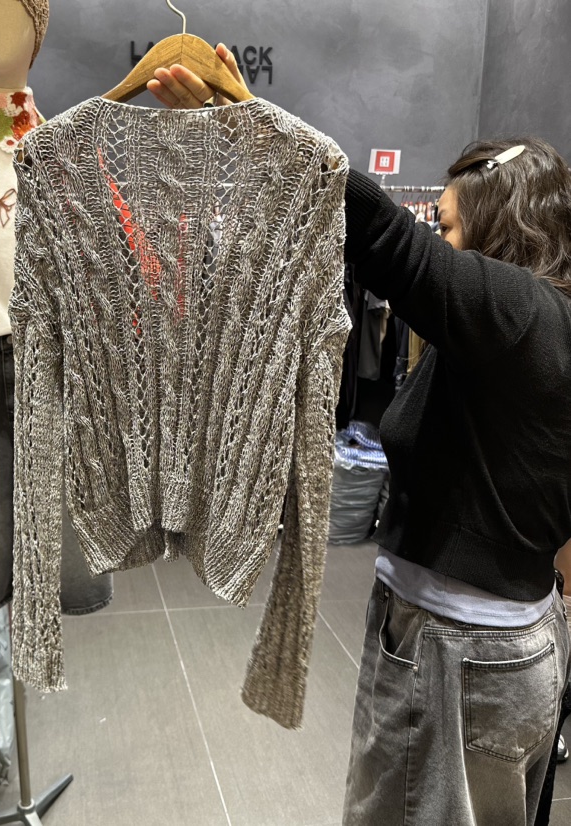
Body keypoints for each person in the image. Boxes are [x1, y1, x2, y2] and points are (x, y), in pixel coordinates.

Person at [149, 45, 571, 825]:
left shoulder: (523, 317)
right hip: (493, 644)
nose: (441, 242)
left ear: (500, 226)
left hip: (459, 653)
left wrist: (247, 126)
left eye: (450, 228)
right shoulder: (525, 335)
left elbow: (383, 237)